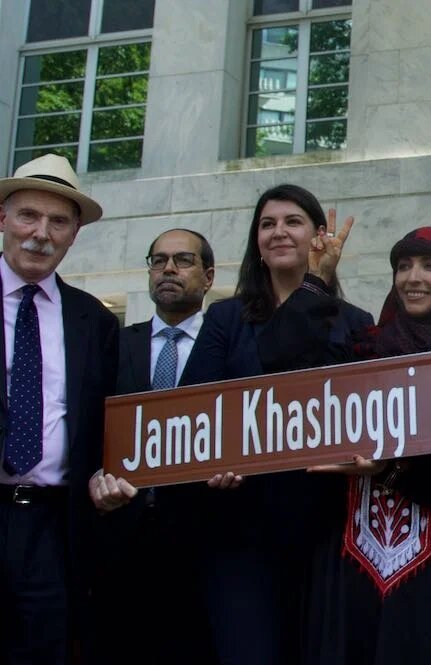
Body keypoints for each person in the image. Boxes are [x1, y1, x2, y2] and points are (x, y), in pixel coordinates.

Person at [181, 184, 373, 665]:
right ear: (257, 243)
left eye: (293, 222)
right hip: (242, 531)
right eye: (267, 224)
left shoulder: (355, 322)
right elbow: (192, 410)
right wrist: (213, 459)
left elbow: (366, 415)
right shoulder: (226, 318)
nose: (279, 232)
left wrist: (315, 286)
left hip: (327, 532)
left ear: (319, 236)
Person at [293, 227, 431, 665]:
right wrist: (317, 280)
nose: (412, 278)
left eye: (430, 266)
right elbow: (295, 375)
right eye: (404, 266)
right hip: (351, 558)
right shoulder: (364, 348)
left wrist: (389, 469)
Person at [0, 154, 118, 664]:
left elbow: (106, 425)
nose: (41, 234)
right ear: (2, 218)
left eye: (58, 222)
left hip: (55, 527)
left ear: (74, 235)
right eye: (28, 215)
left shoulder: (95, 322)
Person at [88, 228, 218, 664]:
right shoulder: (116, 342)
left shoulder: (227, 345)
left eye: (183, 260)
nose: (168, 269)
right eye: (158, 260)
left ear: (209, 276)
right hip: (120, 542)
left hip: (202, 543)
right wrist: (95, 477)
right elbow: (89, 429)